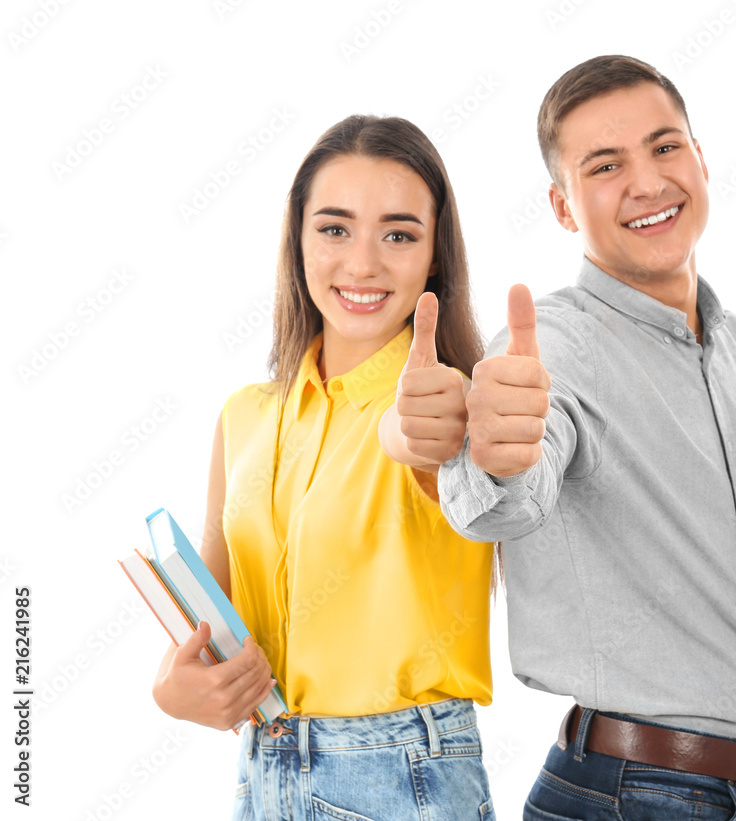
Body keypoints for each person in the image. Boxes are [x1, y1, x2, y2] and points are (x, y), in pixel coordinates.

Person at [438, 55, 736, 820]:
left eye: (664, 147)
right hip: (630, 792)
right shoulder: (547, 347)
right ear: (562, 206)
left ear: (702, 160)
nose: (647, 183)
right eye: (605, 166)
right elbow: (500, 506)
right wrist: (493, 455)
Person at [151, 114, 496, 821]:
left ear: (435, 254)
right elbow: (211, 628)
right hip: (264, 770)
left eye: (398, 234)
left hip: (406, 777)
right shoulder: (243, 415)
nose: (363, 264)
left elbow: (433, 438)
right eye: (335, 229)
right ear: (298, 240)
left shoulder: (450, 404)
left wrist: (457, 414)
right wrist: (174, 687)